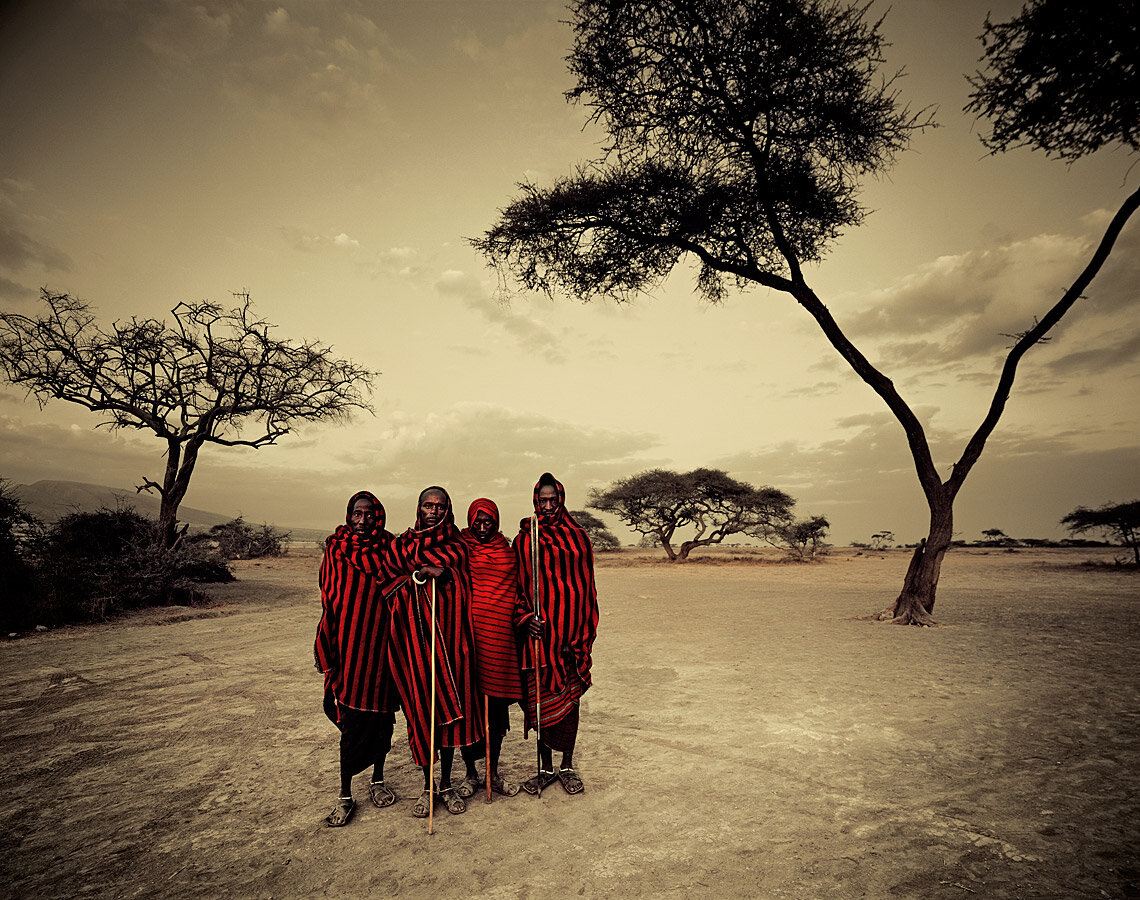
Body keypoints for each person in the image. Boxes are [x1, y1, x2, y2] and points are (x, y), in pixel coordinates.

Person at [383, 486, 484, 817]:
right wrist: (418, 575)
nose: (434, 511)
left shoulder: (457, 547)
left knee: (448, 719)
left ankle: (444, 784)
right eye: (428, 505)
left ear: (448, 510)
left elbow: (466, 587)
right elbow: (387, 586)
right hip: (414, 644)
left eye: (441, 506)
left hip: (452, 643)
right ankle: (427, 786)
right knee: (422, 714)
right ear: (418, 507)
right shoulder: (400, 546)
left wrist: (446, 574)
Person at [314, 490, 400, 827]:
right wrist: (328, 645)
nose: (362, 521)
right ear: (349, 516)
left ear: (378, 516)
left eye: (368, 515)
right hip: (349, 650)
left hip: (382, 650)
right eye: (357, 514)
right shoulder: (335, 548)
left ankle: (378, 779)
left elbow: (401, 587)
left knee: (381, 722)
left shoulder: (390, 548)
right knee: (351, 723)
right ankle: (345, 794)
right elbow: (329, 597)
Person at [514, 473, 599, 795]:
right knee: (537, 702)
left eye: (552, 500)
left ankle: (566, 765)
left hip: (569, 638)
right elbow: (517, 588)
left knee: (569, 704)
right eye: (541, 501)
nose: (547, 506)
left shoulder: (578, 537)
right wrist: (525, 618)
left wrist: (578, 636)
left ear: (561, 500)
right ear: (535, 502)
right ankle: (545, 767)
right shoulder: (525, 538)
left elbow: (585, 589)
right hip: (537, 640)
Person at [459, 498, 524, 797]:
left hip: (500, 641)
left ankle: (492, 773)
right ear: (470, 520)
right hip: (468, 639)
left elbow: (516, 589)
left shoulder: (506, 551)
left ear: (497, 522)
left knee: (495, 712)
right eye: (478, 522)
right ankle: (471, 773)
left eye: (489, 522)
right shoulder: (460, 547)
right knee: (469, 709)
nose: (483, 528)